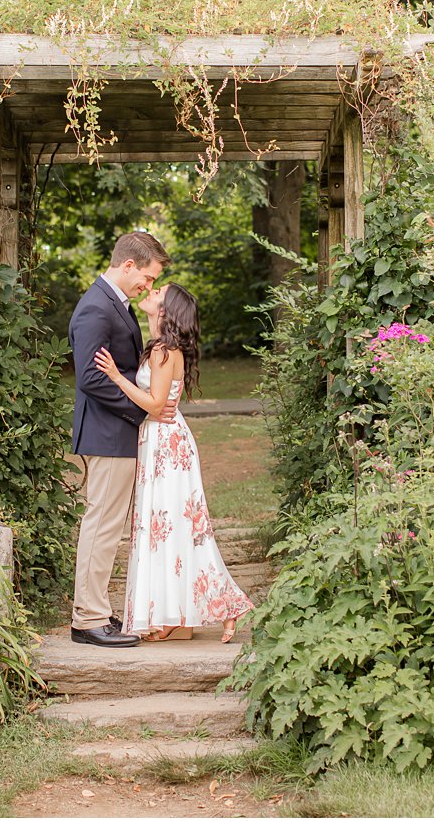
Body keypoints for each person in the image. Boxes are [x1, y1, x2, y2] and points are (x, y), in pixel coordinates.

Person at [93, 283, 254, 643]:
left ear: (166, 310)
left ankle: (226, 605)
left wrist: (116, 377)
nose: (150, 291)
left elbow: (154, 405)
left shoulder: (165, 352)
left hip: (167, 447)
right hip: (159, 443)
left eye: (159, 291)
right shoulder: (158, 348)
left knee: (174, 529)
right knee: (164, 532)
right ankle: (170, 615)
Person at [67, 231, 176, 648]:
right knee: (102, 525)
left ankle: (95, 609)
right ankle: (87, 619)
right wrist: (143, 409)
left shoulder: (116, 303)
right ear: (129, 265)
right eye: (147, 278)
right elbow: (91, 378)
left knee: (109, 527)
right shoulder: (96, 308)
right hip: (108, 432)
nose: (148, 287)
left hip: (116, 431)